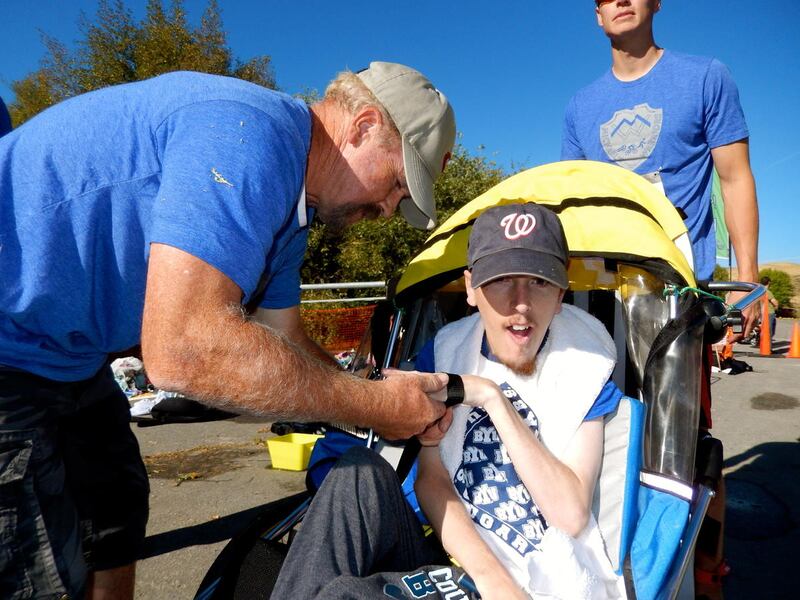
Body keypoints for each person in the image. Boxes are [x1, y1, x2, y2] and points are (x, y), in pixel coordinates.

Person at [0, 62, 455, 599]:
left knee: (115, 511)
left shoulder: (292, 215)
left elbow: (284, 338)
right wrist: (378, 408)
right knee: (36, 569)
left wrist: (375, 391)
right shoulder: (249, 133)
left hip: (67, 360)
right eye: (398, 184)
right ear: (363, 126)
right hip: (10, 353)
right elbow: (185, 349)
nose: (389, 208)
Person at [273, 203, 626, 599]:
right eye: (501, 280)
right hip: (465, 561)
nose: (521, 303)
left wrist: (491, 397)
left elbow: (570, 516)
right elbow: (433, 481)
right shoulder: (449, 351)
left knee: (347, 596)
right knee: (357, 471)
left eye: (539, 281)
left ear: (561, 293)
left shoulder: (583, 366)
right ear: (471, 288)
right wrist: (492, 580)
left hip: (544, 579)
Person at [561, 0, 759, 309]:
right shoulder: (579, 107)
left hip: (682, 288)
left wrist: (747, 277)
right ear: (599, 15)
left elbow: (734, 178)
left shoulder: (706, 77)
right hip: (603, 290)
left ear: (656, 3)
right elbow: (572, 201)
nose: (621, 1)